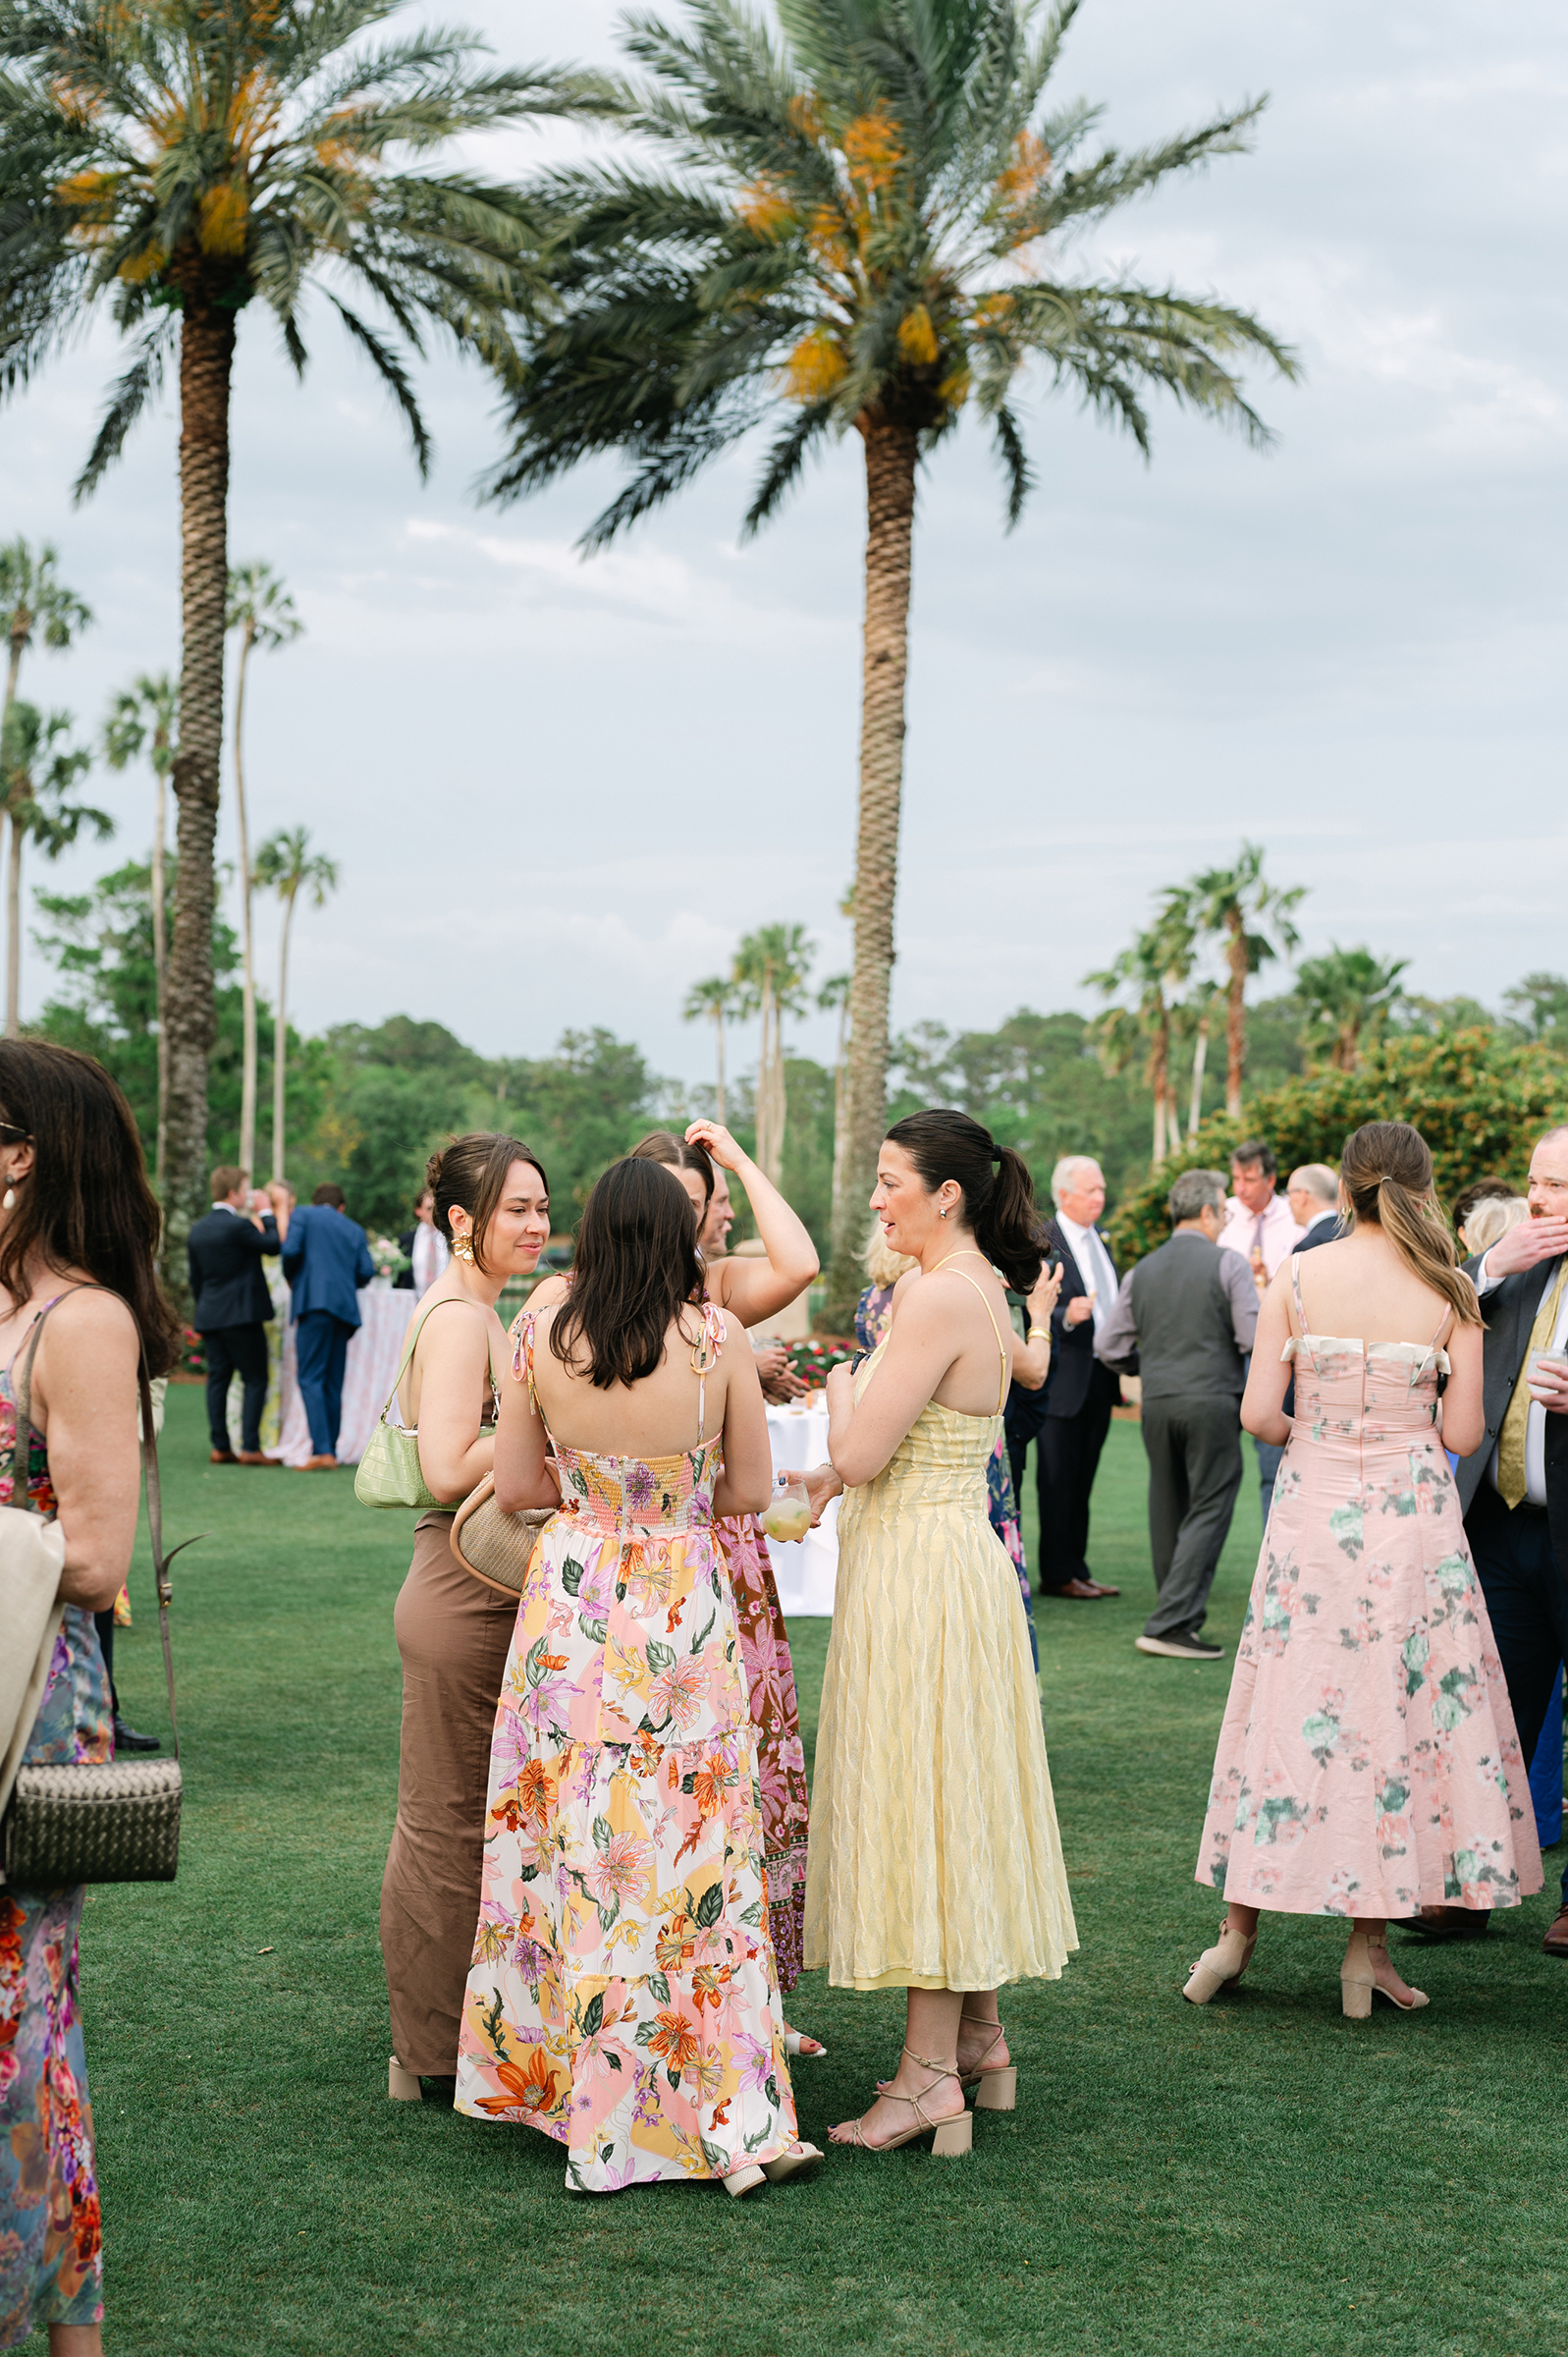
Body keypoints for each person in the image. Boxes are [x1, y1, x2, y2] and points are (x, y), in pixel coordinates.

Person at [454, 1157, 817, 2195]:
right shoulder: (717, 1342)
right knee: (693, 1846)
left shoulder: (539, 1335)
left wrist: (590, 1486)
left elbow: (518, 1482)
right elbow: (747, 1487)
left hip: (574, 1601)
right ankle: (719, 2106)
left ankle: (578, 2090)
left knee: (574, 1838)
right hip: (679, 1605)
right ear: (677, 1238)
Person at [1185, 1122, 1541, 2017]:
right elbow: (1461, 1436)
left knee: (1283, 1702)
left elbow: (1259, 1413)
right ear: (1421, 1189)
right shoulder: (1449, 1289)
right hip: (1409, 1526)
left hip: (1309, 1520)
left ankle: (1235, 1935)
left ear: (1345, 1188)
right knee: (1396, 1717)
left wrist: (1324, 1436)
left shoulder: (1297, 1278)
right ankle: (1364, 1953)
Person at [798, 1110, 1076, 2157]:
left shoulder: (931, 1294)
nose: (876, 1199)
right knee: (954, 1794)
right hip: (949, 1561)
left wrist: (833, 1390)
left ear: (944, 1194)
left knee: (924, 1805)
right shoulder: (984, 1291)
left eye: (887, 1181)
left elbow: (865, 1450)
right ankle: (979, 2040)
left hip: (920, 1571)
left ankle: (924, 2084)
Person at [0, 1036, 181, 2356]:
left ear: (19, 1157)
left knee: (18, 2033)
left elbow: (101, 1558)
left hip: (22, 1704)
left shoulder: (83, 1322)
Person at [615, 1126, 822, 2042]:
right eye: (696, 1196)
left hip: (725, 1554)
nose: (711, 1211)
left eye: (704, 1197)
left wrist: (736, 1162)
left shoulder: (720, 1289)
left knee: (750, 1765)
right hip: (652, 1558)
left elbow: (801, 1261)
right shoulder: (591, 1301)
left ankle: (756, 1999)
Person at [381, 1134, 552, 2104]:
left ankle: (465, 2039)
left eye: (541, 1208)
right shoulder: (455, 1320)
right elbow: (449, 1467)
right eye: (515, 1211)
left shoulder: (486, 1312)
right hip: (455, 1580)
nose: (536, 1226)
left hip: (487, 1584)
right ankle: (427, 2051)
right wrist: (541, 1430)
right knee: (443, 1828)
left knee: (479, 1825)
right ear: (459, 1221)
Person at [1404, 1124, 1568, 1952]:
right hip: (1498, 1526)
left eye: (1556, 1187)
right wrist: (1484, 1270)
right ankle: (1467, 1885)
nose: (1536, 1199)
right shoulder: (1509, 1264)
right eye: (1534, 1182)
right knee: (1485, 1710)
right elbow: (1427, 1334)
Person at [857, 1214, 1056, 1667]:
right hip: (955, 1468)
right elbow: (1033, 1369)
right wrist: (1040, 1319)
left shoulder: (872, 1301)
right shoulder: (957, 1296)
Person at [1097, 1169, 1258, 1663]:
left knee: (1167, 1505)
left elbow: (1108, 1345)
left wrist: (1149, 1365)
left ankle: (1177, 1618)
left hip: (1159, 1401)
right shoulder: (1228, 1264)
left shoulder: (1140, 1270)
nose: (1226, 1220)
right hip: (1212, 1398)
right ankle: (1171, 1622)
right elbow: (1253, 1338)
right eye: (1225, 1212)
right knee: (1210, 1505)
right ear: (1206, 1212)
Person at [1032, 1155, 1122, 1600]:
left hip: (1101, 1377)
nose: (1100, 1197)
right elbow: (1023, 1299)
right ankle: (1057, 1573)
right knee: (1056, 1478)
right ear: (1064, 1194)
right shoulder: (1043, 1240)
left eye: (1101, 1189)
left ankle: (1078, 1568)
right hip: (1062, 1379)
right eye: (1091, 1190)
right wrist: (1066, 1314)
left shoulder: (1100, 1239)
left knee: (1083, 1478)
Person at [1218, 1140, 1307, 1525]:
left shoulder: (1293, 1218)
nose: (1241, 1188)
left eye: (1250, 1179)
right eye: (1236, 1178)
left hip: (1277, 1347)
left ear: (1271, 1179)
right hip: (1228, 1345)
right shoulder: (1224, 1214)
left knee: (1272, 1457)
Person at [187, 1164, 288, 1464]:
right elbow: (272, 1246)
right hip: (242, 1316)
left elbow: (195, 1279)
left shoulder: (198, 1229)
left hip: (211, 1315)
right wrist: (267, 1211)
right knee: (255, 1379)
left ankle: (220, 1446)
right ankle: (250, 1448)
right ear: (233, 1193)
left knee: (218, 1379)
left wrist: (204, 1308)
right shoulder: (238, 1225)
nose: (249, 1194)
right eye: (245, 1189)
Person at [280, 1182, 375, 1468]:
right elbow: (366, 1271)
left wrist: (293, 1280)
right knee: (333, 1381)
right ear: (341, 1206)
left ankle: (322, 1451)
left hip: (312, 1304)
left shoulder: (302, 1215)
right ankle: (329, 1449)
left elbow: (289, 1251)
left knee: (310, 1377)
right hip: (343, 1310)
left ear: (314, 1200)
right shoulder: (354, 1229)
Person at [395, 1186, 450, 1296]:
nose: (435, 1213)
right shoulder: (406, 1240)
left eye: (437, 1208)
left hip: (446, 1300)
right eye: (429, 1208)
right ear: (418, 1211)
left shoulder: (451, 1238)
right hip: (414, 1301)